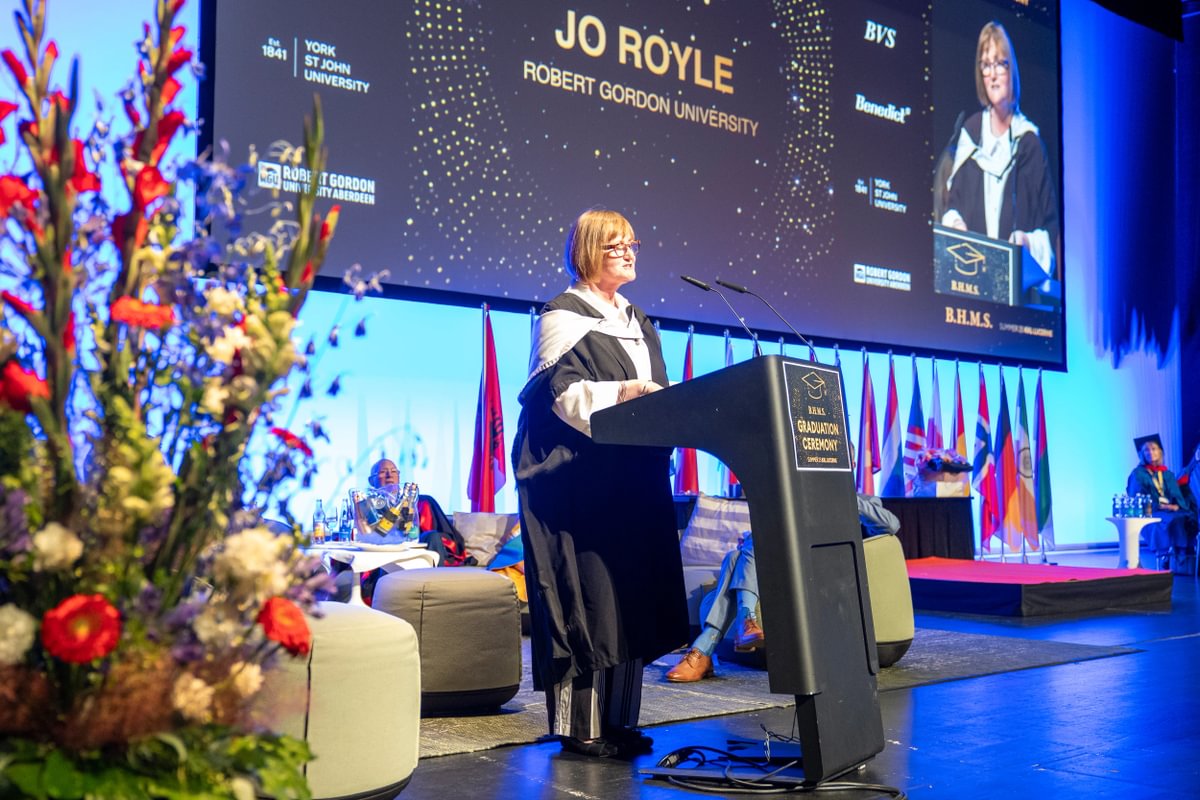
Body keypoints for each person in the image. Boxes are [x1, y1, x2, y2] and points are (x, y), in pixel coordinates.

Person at [513, 208, 688, 759]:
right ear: (588, 251)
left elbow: (658, 392)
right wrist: (626, 393)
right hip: (578, 483)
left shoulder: (638, 320)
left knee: (627, 597)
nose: (629, 253)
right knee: (586, 601)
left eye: (632, 243)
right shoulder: (562, 317)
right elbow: (563, 397)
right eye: (616, 245)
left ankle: (619, 720)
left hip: (633, 478)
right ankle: (579, 727)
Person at [666, 493, 901, 682]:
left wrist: (844, 496)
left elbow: (891, 524)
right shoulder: (799, 500)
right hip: (782, 569)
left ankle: (708, 645)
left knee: (743, 552)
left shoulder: (860, 500)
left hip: (820, 573)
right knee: (738, 554)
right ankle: (741, 626)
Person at [940, 21, 1059, 291]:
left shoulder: (1028, 143)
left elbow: (1050, 225)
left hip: (1019, 289)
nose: (992, 75)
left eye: (999, 64)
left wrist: (1027, 242)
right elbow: (952, 206)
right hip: (971, 283)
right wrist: (955, 223)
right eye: (986, 65)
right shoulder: (971, 135)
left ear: (1011, 69)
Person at [1126, 434, 1197, 571]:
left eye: (1154, 449)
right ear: (1142, 454)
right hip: (1151, 511)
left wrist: (1176, 505)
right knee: (1163, 522)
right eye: (1146, 450)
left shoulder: (1166, 474)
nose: (1150, 452)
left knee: (1184, 518)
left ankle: (1181, 554)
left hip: (1170, 510)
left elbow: (1177, 495)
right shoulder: (1138, 474)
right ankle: (1164, 555)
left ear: (1160, 452)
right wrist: (1158, 505)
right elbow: (1135, 497)